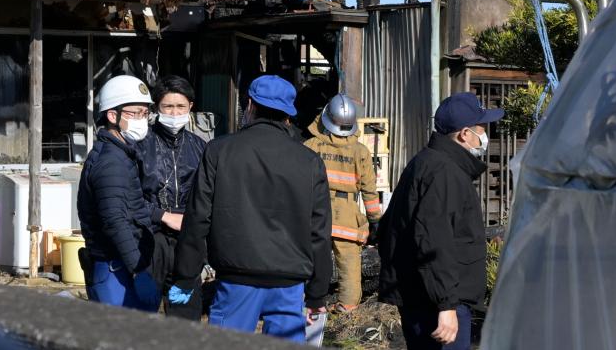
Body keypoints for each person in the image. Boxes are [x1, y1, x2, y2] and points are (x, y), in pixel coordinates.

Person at [170, 75, 333, 343]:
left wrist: (185, 277)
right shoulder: (310, 161)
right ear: (288, 115)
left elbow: (198, 218)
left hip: (236, 280)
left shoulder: (219, 151)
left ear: (249, 105)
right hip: (289, 284)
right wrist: (317, 293)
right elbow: (319, 231)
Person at [377, 92, 504, 350]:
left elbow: (390, 227)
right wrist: (446, 306)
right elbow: (435, 241)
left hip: (424, 297)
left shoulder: (425, 162)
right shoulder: (445, 173)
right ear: (464, 134)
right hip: (437, 304)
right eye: (481, 128)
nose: (484, 134)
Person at [76, 75, 161, 311]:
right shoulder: (111, 163)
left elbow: (131, 207)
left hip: (120, 267)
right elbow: (115, 221)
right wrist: (139, 270)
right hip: (117, 271)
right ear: (113, 116)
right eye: (135, 113)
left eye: (145, 113)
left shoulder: (120, 153)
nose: (142, 120)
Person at [136, 75, 207, 320]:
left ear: (190, 108)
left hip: (187, 244)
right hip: (148, 240)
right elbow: (129, 197)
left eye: (180, 107)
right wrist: (162, 215)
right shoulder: (140, 144)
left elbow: (208, 197)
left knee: (185, 317)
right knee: (141, 315)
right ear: (156, 108)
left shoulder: (201, 147)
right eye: (168, 106)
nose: (174, 113)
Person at [304, 94, 382, 314]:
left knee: (311, 260)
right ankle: (347, 306)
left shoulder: (310, 146)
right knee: (349, 263)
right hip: (347, 214)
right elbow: (369, 191)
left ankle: (308, 302)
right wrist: (375, 221)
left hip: (315, 212)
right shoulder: (361, 152)